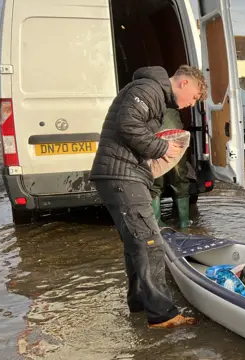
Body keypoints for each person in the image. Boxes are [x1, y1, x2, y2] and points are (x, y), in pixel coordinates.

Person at [89, 65, 207, 329]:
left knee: (136, 244)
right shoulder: (150, 88)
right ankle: (163, 316)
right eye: (196, 97)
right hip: (122, 175)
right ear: (185, 83)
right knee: (150, 243)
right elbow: (128, 124)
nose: (191, 104)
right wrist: (162, 147)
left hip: (121, 174)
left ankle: (140, 304)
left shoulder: (151, 91)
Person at [150, 107, 192, 229]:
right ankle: (184, 222)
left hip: (155, 138)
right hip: (176, 136)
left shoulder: (150, 101)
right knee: (179, 179)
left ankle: (157, 223)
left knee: (155, 181)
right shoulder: (175, 101)